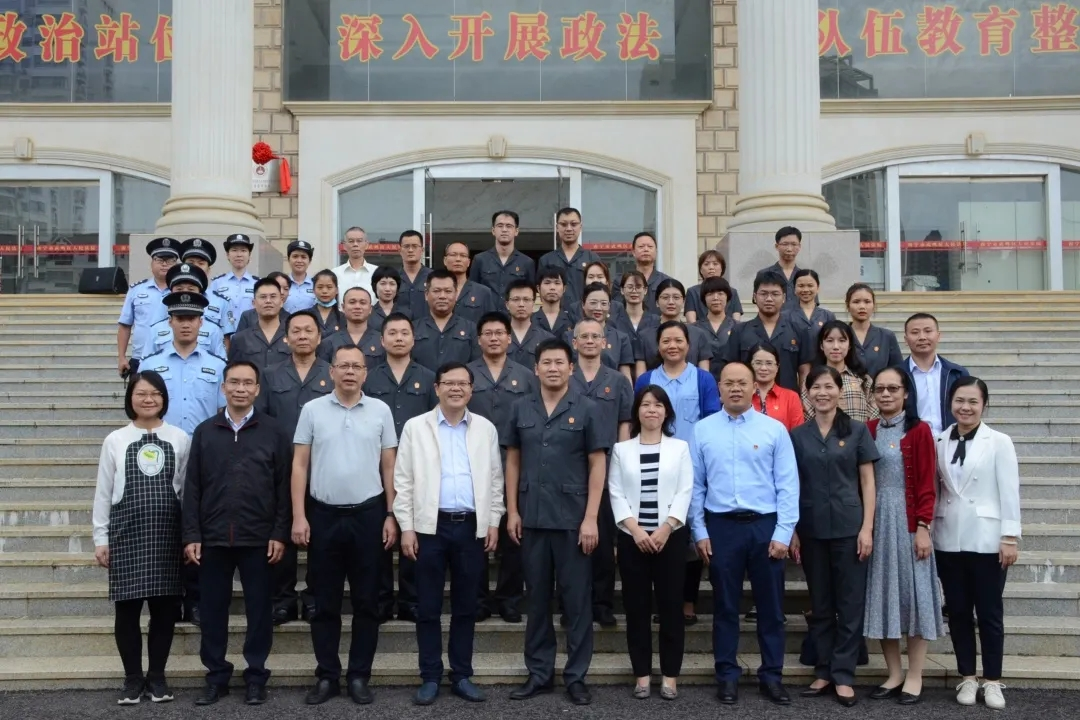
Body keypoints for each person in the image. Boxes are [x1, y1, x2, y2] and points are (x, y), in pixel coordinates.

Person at [291, 345, 399, 706]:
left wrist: (391, 514)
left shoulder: (381, 410)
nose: (350, 371)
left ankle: (359, 676)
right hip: (323, 516)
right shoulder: (312, 410)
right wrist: (299, 515)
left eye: (357, 366)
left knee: (367, 602)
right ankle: (327, 675)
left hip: (368, 516)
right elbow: (300, 465)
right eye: (343, 366)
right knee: (325, 602)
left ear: (365, 373)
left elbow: (389, 466)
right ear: (331, 371)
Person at [504, 339, 609, 706]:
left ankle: (576, 676)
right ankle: (539, 673)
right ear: (535, 369)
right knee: (536, 601)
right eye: (546, 362)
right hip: (532, 517)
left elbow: (598, 463)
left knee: (577, 602)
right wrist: (512, 510)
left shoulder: (589, 408)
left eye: (559, 362)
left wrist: (591, 518)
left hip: (573, 520)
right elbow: (513, 459)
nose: (552, 368)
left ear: (571, 367)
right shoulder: (521, 407)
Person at [394, 362, 505, 705]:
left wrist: (494, 521)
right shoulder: (416, 427)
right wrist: (406, 527)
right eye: (449, 383)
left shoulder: (485, 428)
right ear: (437, 388)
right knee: (427, 606)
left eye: (463, 384)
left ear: (471, 389)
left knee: (466, 606)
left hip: (471, 527)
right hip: (429, 528)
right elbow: (403, 480)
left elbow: (495, 479)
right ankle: (429, 676)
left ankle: (461, 675)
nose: (456, 389)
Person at [183, 361, 291, 706]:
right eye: (234, 382)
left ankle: (256, 676)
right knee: (213, 611)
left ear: (257, 389)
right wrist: (192, 534)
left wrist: (279, 532)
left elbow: (284, 487)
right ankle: (216, 676)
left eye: (247, 383)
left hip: (259, 538)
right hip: (213, 537)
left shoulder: (274, 431)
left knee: (259, 612)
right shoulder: (205, 431)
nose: (240, 389)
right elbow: (192, 487)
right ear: (223, 387)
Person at [689, 362, 797, 706]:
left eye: (742, 383)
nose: (735, 388)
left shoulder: (774, 430)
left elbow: (788, 484)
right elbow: (695, 486)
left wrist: (783, 533)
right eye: (729, 383)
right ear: (719, 388)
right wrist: (699, 530)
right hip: (721, 527)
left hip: (765, 526)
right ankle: (727, 676)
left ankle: (772, 676)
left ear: (754, 387)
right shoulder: (703, 430)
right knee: (724, 606)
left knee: (771, 608)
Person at [93, 371, 190, 705]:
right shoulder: (115, 440)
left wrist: (189, 535)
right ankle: (133, 678)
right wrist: (100, 537)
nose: (148, 399)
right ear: (130, 398)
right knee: (127, 610)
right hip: (126, 532)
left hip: (167, 533)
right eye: (141, 393)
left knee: (164, 610)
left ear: (164, 398)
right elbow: (103, 492)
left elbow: (187, 489)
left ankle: (158, 677)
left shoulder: (179, 438)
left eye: (155, 393)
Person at [790, 366, 878, 707]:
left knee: (850, 604)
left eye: (829, 386)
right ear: (808, 393)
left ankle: (843, 674)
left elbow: (867, 481)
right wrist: (793, 530)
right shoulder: (798, 435)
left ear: (840, 390)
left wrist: (867, 528)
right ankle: (824, 670)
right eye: (816, 387)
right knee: (821, 603)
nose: (823, 393)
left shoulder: (857, 430)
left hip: (849, 529)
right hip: (811, 528)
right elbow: (792, 484)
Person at [934, 377, 1020, 711]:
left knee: (989, 613)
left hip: (987, 539)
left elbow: (1009, 490)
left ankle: (993, 680)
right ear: (950, 403)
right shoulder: (940, 439)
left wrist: (1009, 537)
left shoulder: (999, 442)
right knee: (957, 611)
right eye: (959, 400)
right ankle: (968, 676)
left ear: (984, 404)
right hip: (949, 537)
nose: (965, 407)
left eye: (972, 401)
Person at [864, 367, 944, 705]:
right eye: (880, 389)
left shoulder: (919, 430)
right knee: (884, 595)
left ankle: (915, 675)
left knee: (914, 596)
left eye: (893, 389)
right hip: (877, 520)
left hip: (910, 522)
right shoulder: (867, 429)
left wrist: (924, 527)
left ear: (906, 393)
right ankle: (894, 673)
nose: (885, 394)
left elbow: (927, 482)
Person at [609, 385, 693, 701]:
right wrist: (636, 530)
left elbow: (685, 490)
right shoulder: (622, 450)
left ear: (666, 411)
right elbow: (616, 492)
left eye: (658, 405)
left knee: (671, 608)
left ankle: (670, 676)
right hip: (633, 539)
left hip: (670, 538)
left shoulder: (680, 448)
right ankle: (642, 676)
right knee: (636, 609)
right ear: (637, 411)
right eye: (646, 404)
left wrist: (665, 528)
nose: (652, 410)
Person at [636, 321, 720, 624]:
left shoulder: (703, 379)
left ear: (688, 345)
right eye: (666, 341)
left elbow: (711, 421)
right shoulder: (646, 379)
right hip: (653, 463)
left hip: (692, 465)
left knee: (689, 533)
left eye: (678, 340)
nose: (672, 346)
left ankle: (687, 601)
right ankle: (661, 600)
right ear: (658, 346)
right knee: (657, 529)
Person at [255, 310, 333, 625]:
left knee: (321, 539)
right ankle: (283, 599)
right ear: (286, 338)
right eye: (296, 331)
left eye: (308, 330)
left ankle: (315, 597)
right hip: (281, 468)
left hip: (323, 467)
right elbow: (260, 421)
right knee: (282, 534)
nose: (302, 336)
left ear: (319, 336)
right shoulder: (269, 375)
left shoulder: (332, 372)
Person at [363, 312, 438, 624]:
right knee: (378, 534)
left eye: (404, 333)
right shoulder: (369, 377)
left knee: (413, 530)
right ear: (381, 340)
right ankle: (381, 599)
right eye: (392, 333)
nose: (398, 338)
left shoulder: (429, 377)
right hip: (374, 464)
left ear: (413, 339)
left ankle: (410, 599)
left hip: (417, 466)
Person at [468, 312, 536, 623]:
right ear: (479, 339)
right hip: (474, 464)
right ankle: (478, 598)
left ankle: (509, 598)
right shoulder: (466, 374)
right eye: (488, 333)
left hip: (515, 462)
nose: (494, 338)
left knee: (513, 534)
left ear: (509, 338)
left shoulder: (526, 376)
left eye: (499, 333)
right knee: (476, 534)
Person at [569, 318, 634, 627]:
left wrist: (621, 464)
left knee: (604, 543)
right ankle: (573, 605)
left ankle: (602, 603)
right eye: (584, 336)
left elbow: (624, 423)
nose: (590, 341)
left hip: (607, 470)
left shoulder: (618, 381)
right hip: (569, 471)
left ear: (605, 342)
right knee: (571, 545)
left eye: (596, 336)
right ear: (574, 342)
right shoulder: (565, 376)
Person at [140, 292, 226, 436]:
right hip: (162, 442)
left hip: (204, 443)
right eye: (180, 319)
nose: (186, 325)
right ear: (170, 322)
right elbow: (140, 408)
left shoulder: (218, 366)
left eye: (191, 319)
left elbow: (223, 410)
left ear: (200, 322)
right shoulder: (150, 365)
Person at [722, 270, 812, 390]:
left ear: (784, 297)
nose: (769, 299)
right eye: (763, 294)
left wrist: (803, 397)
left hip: (788, 398)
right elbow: (731, 368)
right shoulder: (739, 331)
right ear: (755, 297)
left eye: (775, 294)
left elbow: (804, 370)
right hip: (751, 398)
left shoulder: (798, 330)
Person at [117, 237, 177, 377]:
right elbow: (125, 325)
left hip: (173, 357)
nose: (164, 264)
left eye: (170, 261)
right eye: (159, 260)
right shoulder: (136, 290)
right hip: (141, 358)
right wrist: (121, 357)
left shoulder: (181, 290)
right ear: (151, 263)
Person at [903, 313, 970, 436]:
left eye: (928, 331)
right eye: (915, 332)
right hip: (912, 442)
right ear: (906, 340)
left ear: (938, 336)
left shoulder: (957, 374)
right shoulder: (897, 375)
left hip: (952, 441)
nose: (922, 337)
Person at [803, 320, 878, 422]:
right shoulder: (811, 380)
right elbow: (808, 416)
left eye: (842, 341)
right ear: (821, 345)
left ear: (849, 345)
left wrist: (860, 430)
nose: (836, 347)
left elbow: (874, 415)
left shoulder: (863, 379)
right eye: (829, 340)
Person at [148, 263, 226, 358]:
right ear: (171, 292)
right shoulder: (156, 330)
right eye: (179, 289)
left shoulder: (214, 330)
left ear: (200, 293)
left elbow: (220, 363)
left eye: (191, 289)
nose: (185, 292)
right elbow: (147, 364)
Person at [412, 269, 481, 372]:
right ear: (426, 295)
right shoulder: (413, 329)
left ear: (456, 294)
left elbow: (476, 365)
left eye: (448, 291)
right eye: (436, 291)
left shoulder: (471, 329)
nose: (442, 296)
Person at [640, 279, 712, 372]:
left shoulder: (697, 334)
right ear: (657, 302)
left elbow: (704, 372)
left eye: (676, 297)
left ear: (683, 302)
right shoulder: (645, 336)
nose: (671, 302)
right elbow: (641, 375)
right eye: (665, 297)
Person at [538, 207, 601, 311]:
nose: (568, 229)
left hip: (584, 315)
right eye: (563, 224)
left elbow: (599, 290)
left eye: (573, 224)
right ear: (557, 227)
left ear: (580, 227)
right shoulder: (546, 260)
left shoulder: (592, 258)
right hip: (556, 316)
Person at [227, 277, 291, 372]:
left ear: (281, 301)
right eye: (263, 297)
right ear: (254, 303)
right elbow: (233, 372)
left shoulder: (293, 336)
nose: (268, 301)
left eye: (273, 296)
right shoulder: (240, 339)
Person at [470, 210, 535, 299]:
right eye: (500, 226)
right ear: (493, 230)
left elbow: (531, 295)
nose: (504, 230)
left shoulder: (527, 262)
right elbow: (473, 291)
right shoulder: (480, 260)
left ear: (516, 231)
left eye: (509, 226)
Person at [317, 287, 384, 370]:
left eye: (362, 303)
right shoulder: (328, 342)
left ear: (370, 309)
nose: (357, 306)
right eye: (352, 302)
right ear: (343, 307)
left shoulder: (382, 341)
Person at [845, 283, 902, 379]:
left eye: (867, 302)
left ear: (874, 305)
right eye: (856, 302)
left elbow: (898, 371)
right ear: (848, 305)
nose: (862, 306)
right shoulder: (841, 335)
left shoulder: (887, 336)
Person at [580, 282, 635, 382]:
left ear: (609, 306)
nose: (598, 308)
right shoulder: (570, 336)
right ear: (583, 304)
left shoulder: (621, 338)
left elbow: (625, 375)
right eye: (593, 303)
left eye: (604, 303)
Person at [209, 233, 259, 335]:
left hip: (251, 337)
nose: (239, 255)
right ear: (228, 255)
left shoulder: (258, 284)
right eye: (234, 250)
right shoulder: (217, 283)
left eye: (243, 250)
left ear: (249, 255)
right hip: (224, 336)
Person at [747, 344, 804, 431]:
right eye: (758, 363)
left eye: (769, 363)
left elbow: (798, 433)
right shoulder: (743, 395)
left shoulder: (791, 397)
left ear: (777, 367)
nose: (763, 368)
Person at [612, 270, 656, 378]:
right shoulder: (613, 322)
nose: (634, 291)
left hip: (651, 376)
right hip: (619, 377)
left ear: (645, 290)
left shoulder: (656, 321)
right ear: (622, 290)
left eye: (638, 287)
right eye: (630, 287)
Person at [177, 238, 228, 332]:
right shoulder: (170, 298)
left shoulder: (221, 302)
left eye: (201, 263)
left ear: (208, 269)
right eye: (191, 263)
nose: (196, 267)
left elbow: (226, 337)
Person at [444, 242, 498, 325]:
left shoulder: (483, 292)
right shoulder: (435, 291)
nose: (458, 259)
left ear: (469, 262)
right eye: (453, 255)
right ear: (445, 260)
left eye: (463, 255)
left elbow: (492, 324)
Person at [505, 279, 553, 371]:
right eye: (516, 299)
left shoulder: (547, 339)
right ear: (507, 304)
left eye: (526, 299)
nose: (521, 304)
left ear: (534, 304)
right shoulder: (498, 338)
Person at [616, 232, 670, 313]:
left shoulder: (666, 281)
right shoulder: (620, 281)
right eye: (641, 246)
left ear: (656, 252)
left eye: (650, 247)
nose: (646, 249)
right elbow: (617, 310)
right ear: (633, 252)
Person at [685, 249, 743, 324]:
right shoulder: (692, 291)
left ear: (722, 268)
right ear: (701, 269)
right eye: (706, 264)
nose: (711, 267)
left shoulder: (732, 291)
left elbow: (736, 318)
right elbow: (691, 320)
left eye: (715, 264)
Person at [758, 226, 808, 311]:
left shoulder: (806, 277)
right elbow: (760, 302)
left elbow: (812, 305)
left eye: (794, 244)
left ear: (799, 246)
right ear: (776, 246)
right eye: (785, 244)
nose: (789, 249)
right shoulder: (764, 274)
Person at [232, 271, 292, 336]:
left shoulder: (290, 318)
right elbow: (239, 338)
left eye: (286, 289)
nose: (282, 292)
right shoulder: (248, 316)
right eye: (278, 287)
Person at [788, 269, 836, 349]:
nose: (805, 290)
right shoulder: (785, 316)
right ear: (794, 289)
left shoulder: (828, 316)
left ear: (818, 288)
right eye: (801, 286)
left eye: (810, 286)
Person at [695, 277, 736, 368]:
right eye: (710, 294)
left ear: (727, 297)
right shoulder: (694, 328)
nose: (716, 298)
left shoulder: (738, 327)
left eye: (720, 293)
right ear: (704, 298)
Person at [332, 226, 378, 305]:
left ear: (366, 245)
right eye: (351, 241)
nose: (355, 244)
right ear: (344, 245)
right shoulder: (335, 273)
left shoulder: (376, 272)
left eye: (359, 241)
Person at [533, 266, 580, 339]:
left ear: (564, 288)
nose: (552, 287)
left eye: (557, 283)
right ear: (538, 288)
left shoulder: (574, 321)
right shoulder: (530, 320)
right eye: (547, 283)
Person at [397, 230, 432, 320]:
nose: (410, 250)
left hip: (427, 327)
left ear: (422, 250)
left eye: (415, 246)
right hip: (400, 327)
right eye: (406, 246)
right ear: (400, 250)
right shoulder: (393, 278)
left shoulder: (433, 277)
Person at [370, 265, 408, 330]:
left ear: (397, 287)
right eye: (383, 283)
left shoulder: (406, 313)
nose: (387, 289)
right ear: (375, 286)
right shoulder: (368, 313)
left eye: (392, 284)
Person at [311, 269, 345, 337]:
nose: (324, 291)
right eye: (320, 287)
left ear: (337, 290)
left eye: (329, 287)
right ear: (313, 290)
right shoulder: (305, 315)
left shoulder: (343, 317)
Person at [284, 240, 316, 313]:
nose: (299, 260)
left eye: (303, 257)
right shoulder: (281, 284)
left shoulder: (316, 285)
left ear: (309, 261)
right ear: (288, 259)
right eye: (295, 256)